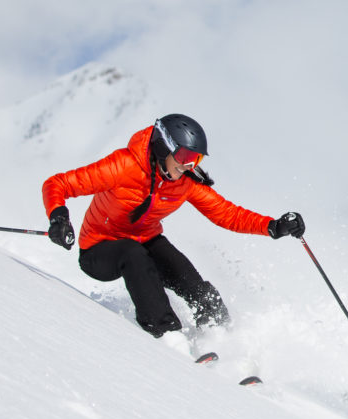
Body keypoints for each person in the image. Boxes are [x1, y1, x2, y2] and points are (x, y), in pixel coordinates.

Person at [42, 113, 305, 338]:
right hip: (99, 250)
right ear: (163, 146)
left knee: (190, 280)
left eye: (197, 159)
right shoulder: (124, 166)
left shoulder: (184, 181)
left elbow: (226, 213)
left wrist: (273, 226)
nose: (189, 165)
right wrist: (59, 217)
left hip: (145, 242)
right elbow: (58, 184)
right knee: (132, 255)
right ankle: (165, 336)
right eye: (185, 156)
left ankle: (222, 338)